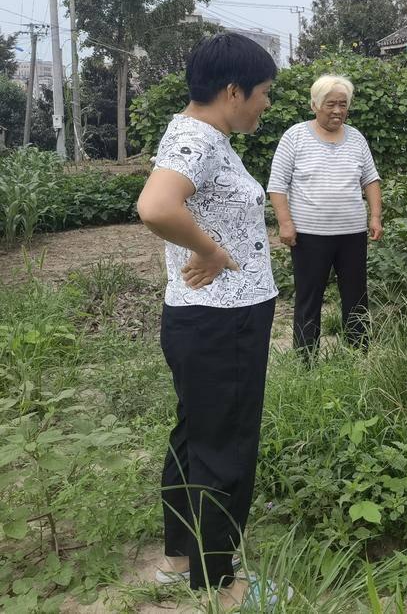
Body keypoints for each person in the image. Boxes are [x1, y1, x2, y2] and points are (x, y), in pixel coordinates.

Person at [137, 33, 290, 608]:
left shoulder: (195, 134)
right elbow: (156, 207)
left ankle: (183, 560)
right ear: (233, 90)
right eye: (265, 94)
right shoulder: (198, 138)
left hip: (206, 318)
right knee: (224, 446)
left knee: (196, 439)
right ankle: (222, 584)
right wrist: (210, 252)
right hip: (220, 321)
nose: (266, 105)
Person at [267, 75, 382, 358]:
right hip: (309, 235)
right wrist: (285, 223)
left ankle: (358, 352)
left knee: (356, 295)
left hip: (352, 234)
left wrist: (375, 216)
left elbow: (371, 180)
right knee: (309, 297)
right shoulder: (295, 136)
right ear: (314, 105)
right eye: (331, 104)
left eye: (343, 104)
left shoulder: (356, 138)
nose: (337, 111)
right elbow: (277, 184)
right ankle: (306, 357)